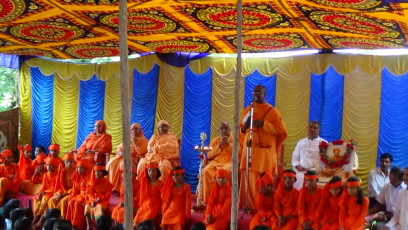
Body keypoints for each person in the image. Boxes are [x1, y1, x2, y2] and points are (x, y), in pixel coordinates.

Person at [239, 85, 288, 210]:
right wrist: (244, 127)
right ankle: (249, 205)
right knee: (249, 180)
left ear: (264, 95)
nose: (255, 94)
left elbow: (281, 130)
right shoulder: (247, 111)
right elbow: (240, 132)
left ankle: (262, 207)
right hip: (249, 151)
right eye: (254, 91)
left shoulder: (272, 112)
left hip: (264, 154)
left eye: (259, 92)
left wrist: (263, 124)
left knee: (264, 181)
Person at [202, 121, 238, 203]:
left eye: (226, 128)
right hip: (216, 162)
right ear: (219, 130)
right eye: (222, 128)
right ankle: (208, 199)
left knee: (224, 172)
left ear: (229, 130)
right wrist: (219, 145)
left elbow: (239, 152)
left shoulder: (234, 139)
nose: (224, 130)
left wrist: (228, 145)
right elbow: (209, 155)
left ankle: (224, 199)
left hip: (229, 163)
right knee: (206, 171)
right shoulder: (215, 140)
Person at [107, 123, 148, 192]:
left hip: (133, 158)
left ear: (140, 130)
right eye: (132, 129)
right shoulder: (127, 139)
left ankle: (123, 188)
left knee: (124, 164)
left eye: (136, 129)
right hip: (122, 157)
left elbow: (140, 152)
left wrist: (134, 142)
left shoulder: (144, 141)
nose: (134, 131)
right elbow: (119, 148)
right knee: (112, 162)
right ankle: (113, 186)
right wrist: (120, 152)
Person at [291, 121, 326, 190]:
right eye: (310, 127)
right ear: (308, 128)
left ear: (319, 130)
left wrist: (314, 169)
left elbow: (325, 161)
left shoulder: (324, 143)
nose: (312, 129)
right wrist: (298, 166)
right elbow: (295, 158)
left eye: (315, 128)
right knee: (294, 177)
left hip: (316, 171)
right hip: (300, 171)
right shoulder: (300, 142)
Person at [32, 157, 60, 228]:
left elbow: (55, 188)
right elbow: (43, 186)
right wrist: (40, 193)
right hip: (45, 192)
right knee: (36, 198)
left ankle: (41, 219)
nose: (48, 167)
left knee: (45, 199)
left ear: (55, 166)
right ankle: (36, 216)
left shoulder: (58, 175)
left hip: (53, 192)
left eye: (50, 165)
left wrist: (44, 192)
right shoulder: (45, 174)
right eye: (47, 165)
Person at [133, 162, 163, 227]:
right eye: (149, 171)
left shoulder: (160, 184)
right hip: (147, 202)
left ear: (157, 172)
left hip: (157, 203)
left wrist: (161, 208)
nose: (151, 172)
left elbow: (163, 197)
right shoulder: (145, 182)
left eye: (153, 170)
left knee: (149, 214)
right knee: (140, 211)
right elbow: (142, 194)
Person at [85, 163, 113, 230]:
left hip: (103, 200)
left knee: (99, 207)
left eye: (99, 171)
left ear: (103, 172)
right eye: (95, 172)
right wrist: (92, 200)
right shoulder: (91, 182)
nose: (96, 173)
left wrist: (99, 199)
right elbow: (89, 194)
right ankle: (88, 226)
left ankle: (99, 226)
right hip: (93, 199)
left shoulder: (107, 183)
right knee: (87, 206)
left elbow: (108, 194)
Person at [65, 160, 92, 229]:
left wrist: (86, 201)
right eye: (78, 167)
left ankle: (76, 225)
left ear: (86, 169)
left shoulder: (90, 177)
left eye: (81, 168)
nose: (79, 169)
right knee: (71, 202)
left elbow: (91, 192)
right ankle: (69, 223)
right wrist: (71, 197)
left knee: (78, 203)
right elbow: (75, 190)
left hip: (87, 196)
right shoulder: (77, 176)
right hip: (79, 195)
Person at [48, 152, 76, 218]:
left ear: (74, 162)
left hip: (73, 193)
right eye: (67, 162)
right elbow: (60, 185)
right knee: (52, 200)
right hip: (63, 192)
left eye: (71, 161)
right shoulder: (62, 171)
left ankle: (62, 219)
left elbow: (76, 188)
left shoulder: (76, 172)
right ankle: (53, 218)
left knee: (63, 202)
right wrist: (59, 194)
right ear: (64, 163)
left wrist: (64, 194)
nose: (69, 163)